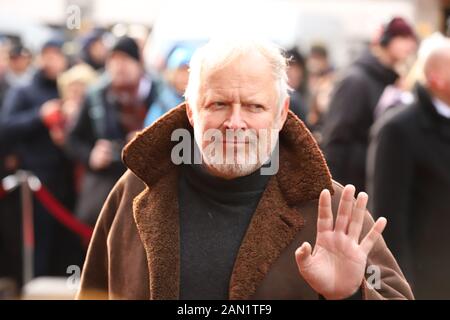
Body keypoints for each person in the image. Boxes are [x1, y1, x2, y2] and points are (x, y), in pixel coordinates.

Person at [76, 38, 412, 300]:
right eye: (218, 104)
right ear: (191, 112)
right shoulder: (136, 190)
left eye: (254, 106)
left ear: (281, 114)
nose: (235, 123)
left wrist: (351, 296)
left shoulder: (332, 209)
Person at [367, 42, 450, 299]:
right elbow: (388, 218)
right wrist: (400, 288)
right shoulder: (398, 129)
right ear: (436, 78)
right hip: (426, 280)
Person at [1, 38, 83, 277]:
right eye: (47, 54)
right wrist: (40, 116)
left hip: (68, 178)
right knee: (39, 243)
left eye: (56, 55)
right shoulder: (24, 91)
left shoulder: (69, 87)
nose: (51, 60)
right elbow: (6, 126)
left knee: (67, 243)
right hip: (37, 182)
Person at [66, 36, 159, 227]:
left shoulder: (158, 94)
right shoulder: (96, 95)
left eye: (125, 60)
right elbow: (72, 139)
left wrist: (148, 141)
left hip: (147, 187)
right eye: (113, 60)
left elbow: (177, 141)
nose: (118, 67)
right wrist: (91, 155)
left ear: (138, 63)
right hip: (105, 188)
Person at [321, 17, 417, 192]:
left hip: (373, 183)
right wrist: (333, 190)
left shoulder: (390, 81)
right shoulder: (356, 80)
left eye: (410, 39)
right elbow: (336, 137)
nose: (409, 45)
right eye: (402, 37)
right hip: (350, 185)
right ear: (385, 40)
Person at [144, 44, 193, 127]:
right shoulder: (162, 105)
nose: (184, 77)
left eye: (188, 71)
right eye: (180, 71)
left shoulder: (198, 102)